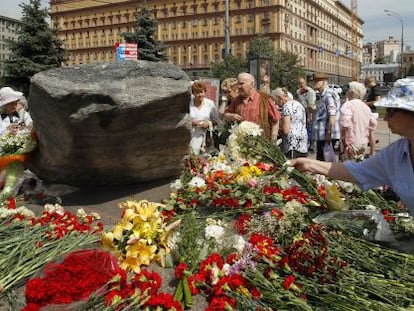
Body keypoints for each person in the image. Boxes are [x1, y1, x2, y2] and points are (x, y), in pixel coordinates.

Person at [286, 78, 414, 214]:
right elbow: (357, 171)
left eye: (391, 111)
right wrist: (309, 164)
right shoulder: (396, 153)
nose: (386, 118)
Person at [224, 72, 280, 141]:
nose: (238, 86)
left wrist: (273, 140)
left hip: (261, 143)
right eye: (238, 84)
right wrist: (231, 116)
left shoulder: (265, 99)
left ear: (252, 84)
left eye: (241, 84)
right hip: (242, 143)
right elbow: (226, 116)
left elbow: (276, 120)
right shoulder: (236, 100)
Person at [339, 81, 377, 161]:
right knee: (358, 166)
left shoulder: (348, 105)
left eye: (347, 91)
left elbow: (345, 123)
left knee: (347, 168)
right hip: (363, 143)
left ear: (351, 92)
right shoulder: (365, 106)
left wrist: (343, 139)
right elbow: (373, 123)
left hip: (351, 142)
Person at [271, 88, 308, 159]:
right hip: (303, 141)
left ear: (280, 98)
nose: (278, 105)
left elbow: (286, 130)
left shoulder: (286, 107)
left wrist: (278, 126)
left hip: (292, 144)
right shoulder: (299, 104)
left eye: (276, 101)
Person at [312, 72, 341, 161]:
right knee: (324, 161)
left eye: (317, 81)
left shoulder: (328, 95)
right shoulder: (323, 95)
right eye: (314, 81)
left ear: (324, 82)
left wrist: (329, 133)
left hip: (325, 135)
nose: (314, 83)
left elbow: (332, 115)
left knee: (324, 162)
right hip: (322, 134)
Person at [189, 80, 220, 155]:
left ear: (204, 92)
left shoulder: (210, 103)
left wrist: (208, 123)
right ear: (193, 93)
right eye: (197, 92)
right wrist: (190, 122)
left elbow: (216, 120)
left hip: (205, 138)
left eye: (201, 92)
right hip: (190, 136)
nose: (199, 95)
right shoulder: (188, 103)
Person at [296, 77, 317, 152]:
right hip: (302, 111)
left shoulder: (310, 91)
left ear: (305, 83)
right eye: (300, 83)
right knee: (304, 127)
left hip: (310, 110)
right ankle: (304, 143)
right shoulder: (298, 91)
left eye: (302, 83)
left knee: (311, 127)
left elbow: (311, 104)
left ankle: (312, 145)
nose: (301, 85)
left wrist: (309, 115)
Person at [364, 76, 381, 156]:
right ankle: (371, 151)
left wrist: (366, 103)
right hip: (371, 112)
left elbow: (378, 101)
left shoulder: (376, 89)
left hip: (372, 112)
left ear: (369, 82)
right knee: (369, 133)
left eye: (366, 83)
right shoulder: (373, 89)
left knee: (370, 133)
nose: (365, 85)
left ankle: (372, 152)